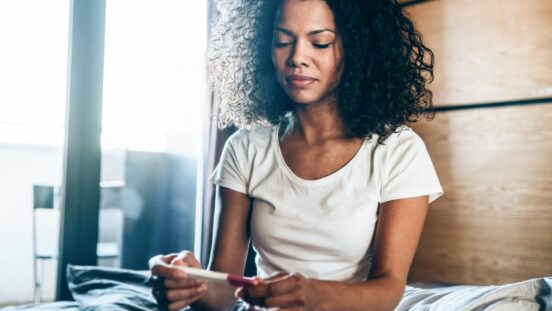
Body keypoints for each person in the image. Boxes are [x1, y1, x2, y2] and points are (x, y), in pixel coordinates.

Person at [150, 0, 443, 310]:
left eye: (320, 42)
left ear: (357, 48)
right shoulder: (245, 147)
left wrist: (315, 295)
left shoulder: (397, 151)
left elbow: (388, 290)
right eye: (283, 41)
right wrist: (188, 281)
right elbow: (223, 292)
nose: (297, 58)